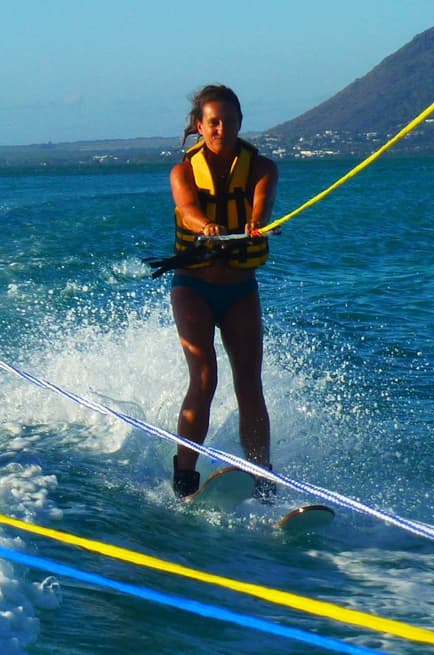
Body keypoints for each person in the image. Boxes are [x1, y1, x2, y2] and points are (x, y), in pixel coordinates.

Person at [163, 84, 279, 500]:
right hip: (194, 287)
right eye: (213, 122)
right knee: (205, 377)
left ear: (239, 124)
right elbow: (189, 210)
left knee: (249, 382)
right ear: (200, 125)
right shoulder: (182, 172)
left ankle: (263, 477)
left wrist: (256, 222)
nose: (221, 129)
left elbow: (261, 203)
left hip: (239, 290)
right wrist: (204, 225)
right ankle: (185, 473)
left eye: (229, 122)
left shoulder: (262, 168)